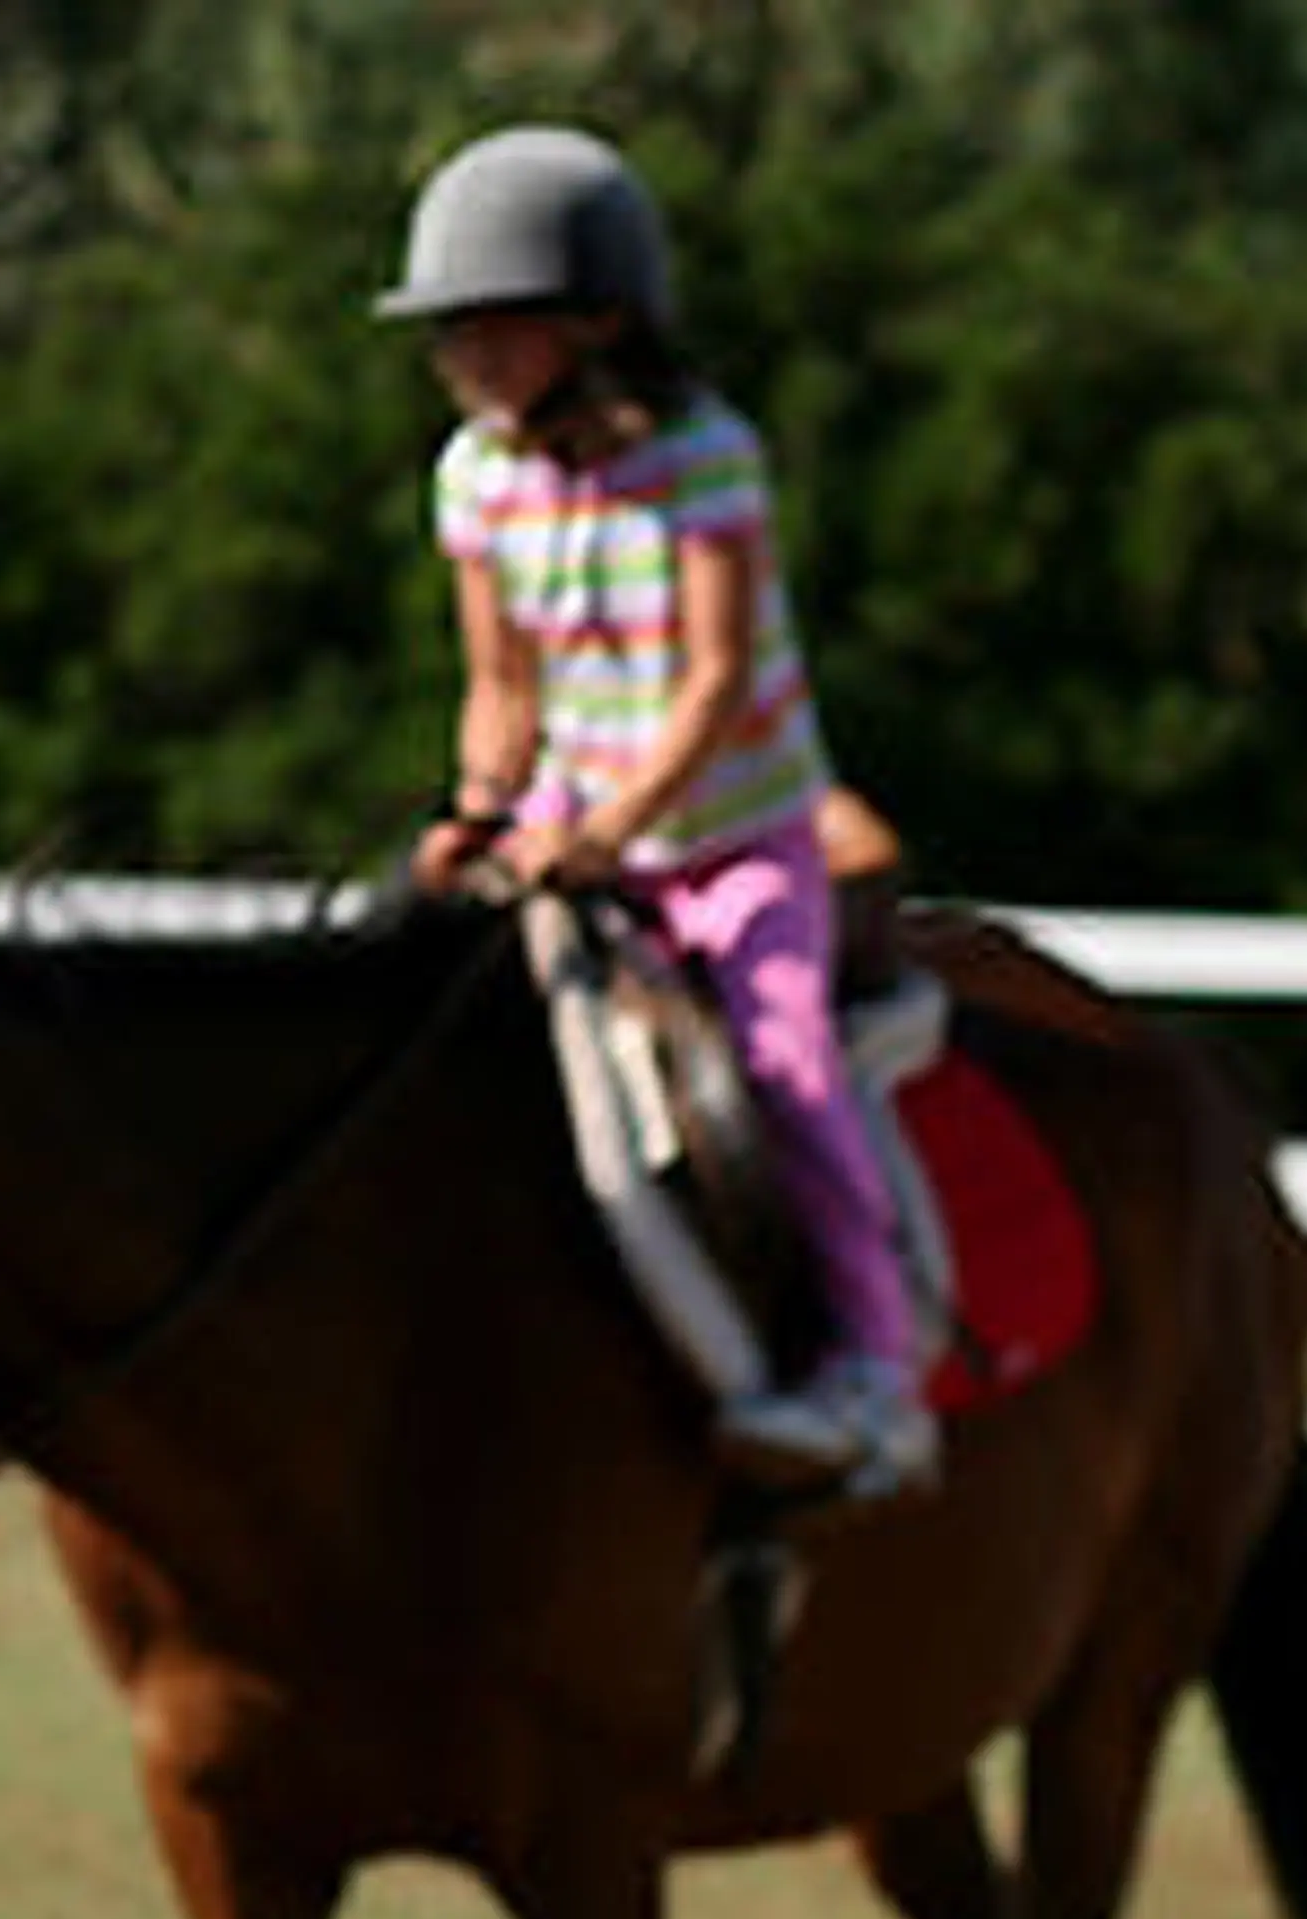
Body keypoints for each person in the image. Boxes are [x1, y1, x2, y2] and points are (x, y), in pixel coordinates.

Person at [377, 123, 936, 1495]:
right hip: (575, 835)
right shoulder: (477, 474)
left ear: (597, 320)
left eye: (492, 331)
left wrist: (614, 829)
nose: (465, 363)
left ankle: (877, 1367)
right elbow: (501, 680)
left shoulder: (704, 454)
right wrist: (480, 805)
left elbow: (715, 677)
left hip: (734, 837)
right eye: (452, 336)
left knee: (790, 1063)